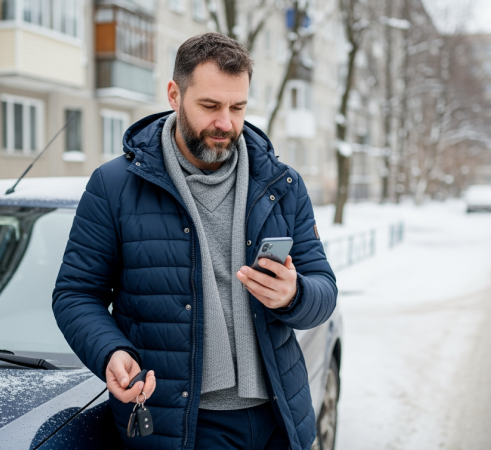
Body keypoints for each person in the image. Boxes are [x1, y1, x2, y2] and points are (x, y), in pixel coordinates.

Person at [53, 32, 337, 450]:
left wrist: (295, 294)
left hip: (281, 420)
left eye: (237, 107)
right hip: (184, 427)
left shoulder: (282, 184)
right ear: (174, 94)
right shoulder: (113, 186)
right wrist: (110, 351)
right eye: (209, 106)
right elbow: (76, 294)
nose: (225, 122)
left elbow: (324, 291)